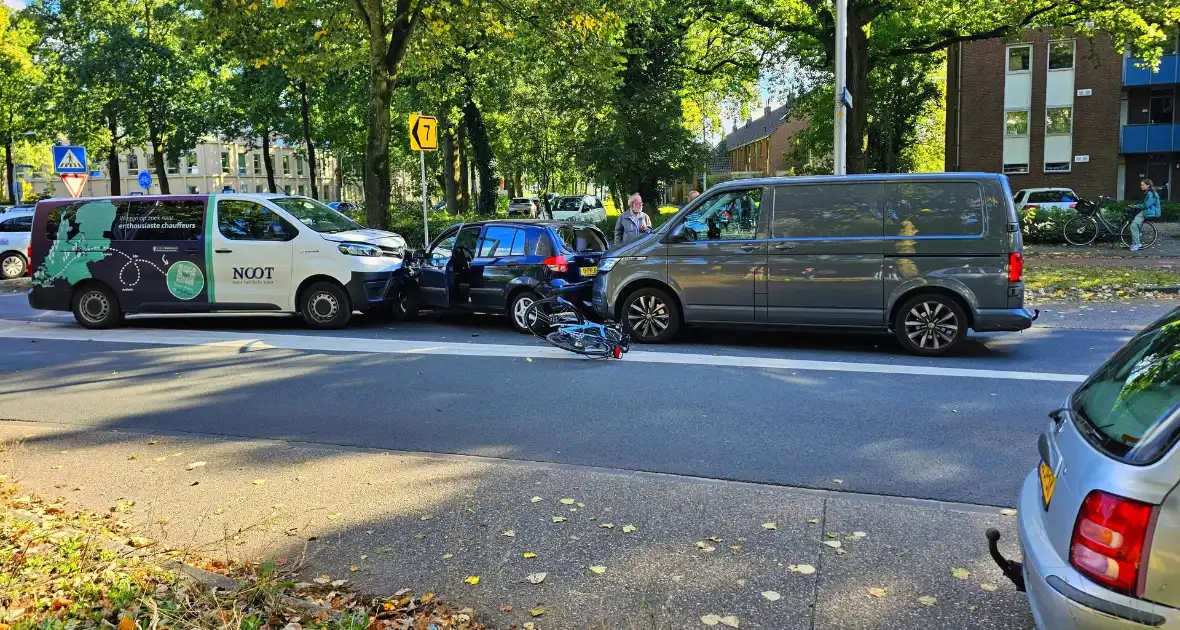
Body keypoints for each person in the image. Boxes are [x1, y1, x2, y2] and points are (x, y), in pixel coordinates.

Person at [1129, 179, 1161, 252]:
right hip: (1147, 211)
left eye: (1142, 185)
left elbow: (1146, 205)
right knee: (1135, 223)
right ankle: (1137, 235)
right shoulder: (1149, 193)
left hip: (1148, 212)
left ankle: (1137, 244)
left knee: (1133, 225)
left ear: (1148, 185)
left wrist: (1135, 206)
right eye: (1141, 185)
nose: (1141, 186)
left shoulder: (1151, 194)